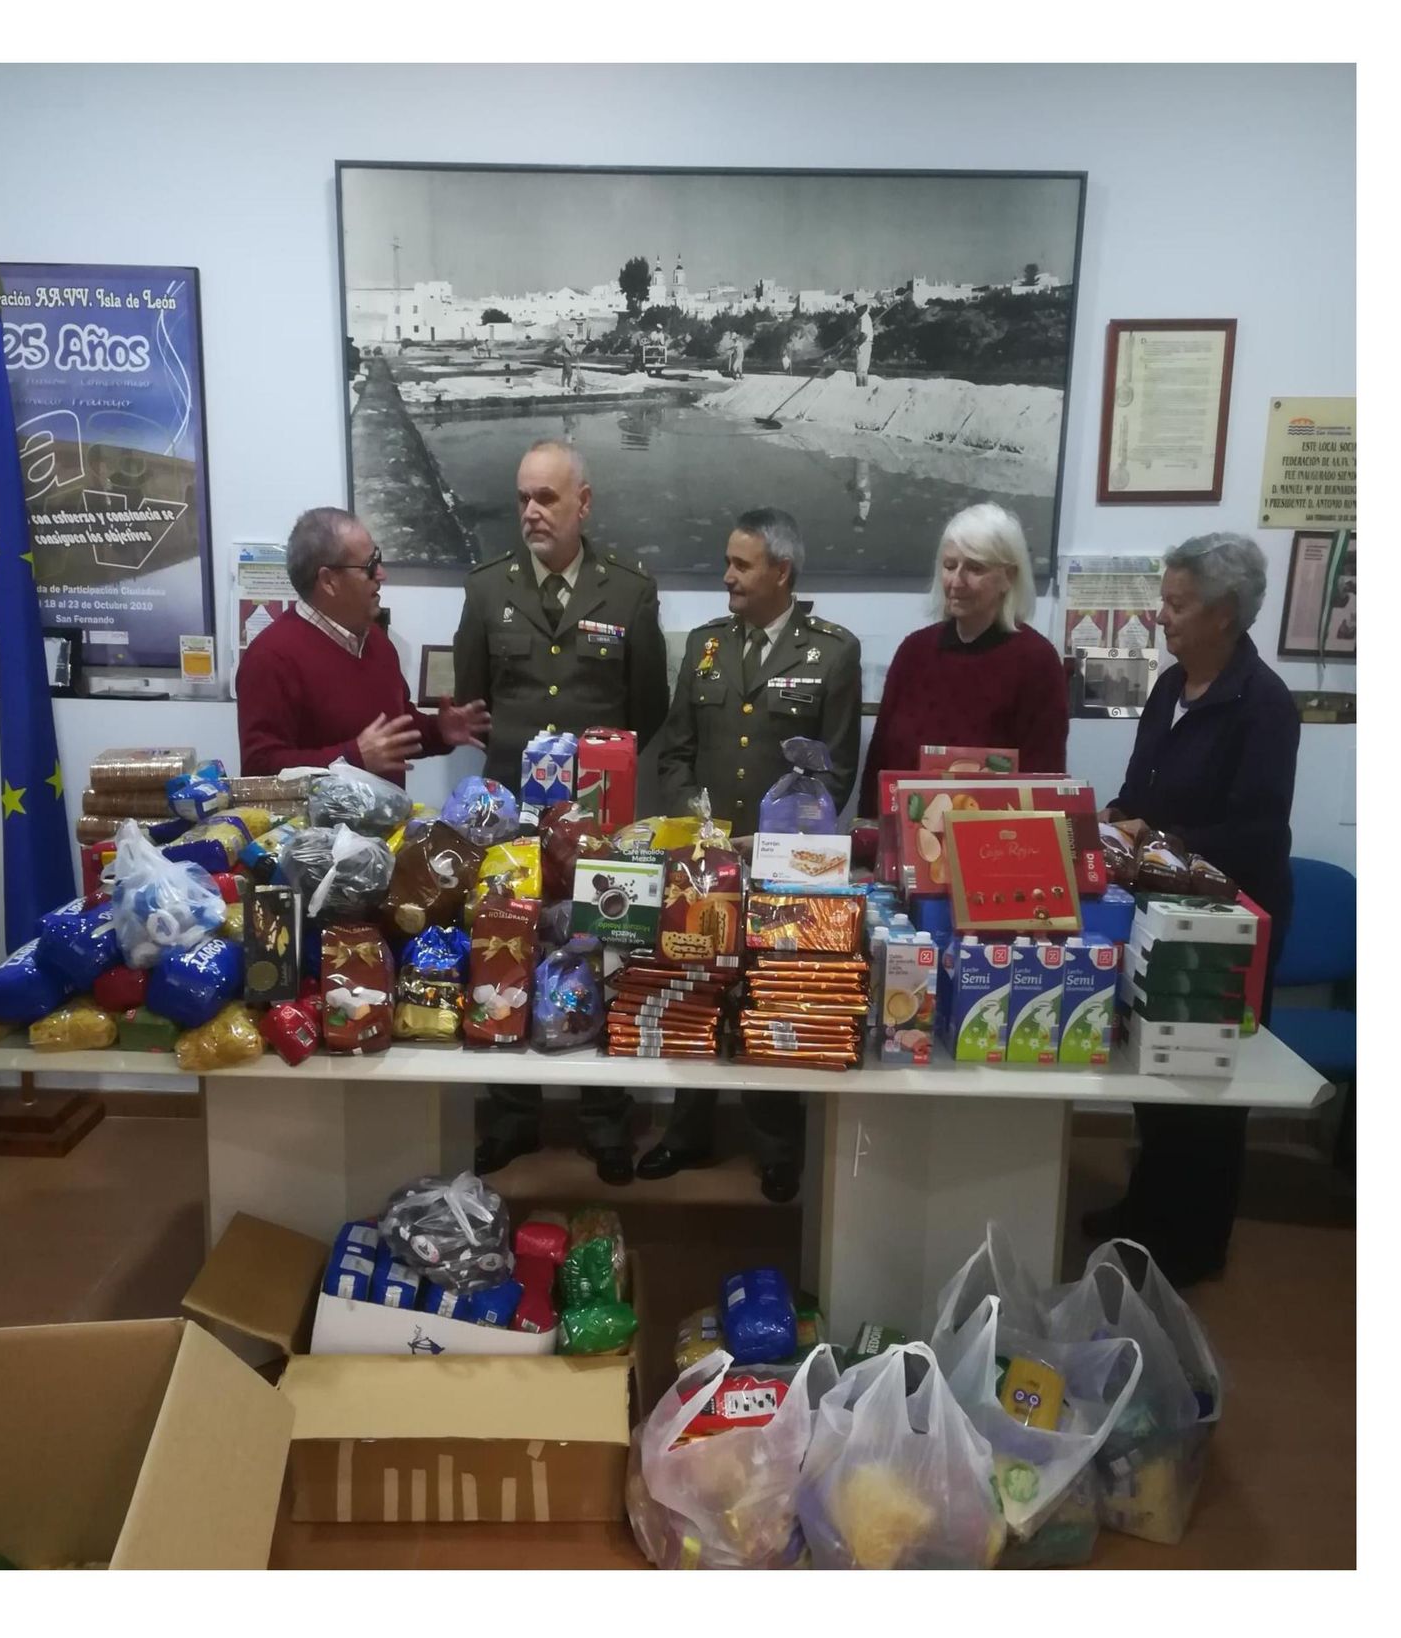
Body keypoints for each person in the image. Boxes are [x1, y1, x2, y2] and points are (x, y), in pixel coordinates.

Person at [1085, 533, 1300, 1286]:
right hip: (1160, 909)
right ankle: (1145, 1215)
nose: (1161, 618)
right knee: (1156, 1069)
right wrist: (1116, 815)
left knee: (1209, 1089)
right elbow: (1141, 788)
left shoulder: (1264, 706)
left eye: (1177, 605)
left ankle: (1197, 1244)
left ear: (1226, 614)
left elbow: (1257, 828)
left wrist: (1160, 835)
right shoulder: (1170, 687)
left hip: (1230, 922)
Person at [453, 439, 669, 1186]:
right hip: (511, 821)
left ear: (584, 501)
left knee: (607, 956)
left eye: (546, 498)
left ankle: (607, 1122)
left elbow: (649, 709)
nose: (531, 512)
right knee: (507, 954)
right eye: (522, 499)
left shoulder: (630, 592)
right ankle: (510, 1115)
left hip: (600, 822)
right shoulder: (486, 590)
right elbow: (474, 706)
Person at [643, 508, 864, 1203]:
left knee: (777, 991)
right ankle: (686, 1130)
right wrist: (695, 819)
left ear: (781, 571)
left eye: (741, 565)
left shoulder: (833, 651)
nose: (727, 577)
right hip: (706, 853)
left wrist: (776, 833)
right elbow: (676, 750)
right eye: (728, 562)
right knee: (693, 982)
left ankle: (777, 1144)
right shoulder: (707, 646)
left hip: (783, 858)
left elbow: (837, 769)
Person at [236, 507, 488, 780]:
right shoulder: (270, 657)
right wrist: (353, 758)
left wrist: (439, 731)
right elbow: (259, 768)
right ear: (328, 581)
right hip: (312, 823)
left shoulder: (376, 641)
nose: (381, 574)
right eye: (369, 567)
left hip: (387, 820)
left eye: (378, 560)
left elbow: (394, 730)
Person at [856, 502, 1069, 813]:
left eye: (975, 568)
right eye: (950, 565)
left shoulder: (1037, 662)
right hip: (901, 848)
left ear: (1008, 577)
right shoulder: (914, 652)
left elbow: (1044, 782)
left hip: (993, 849)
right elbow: (879, 763)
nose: (956, 581)